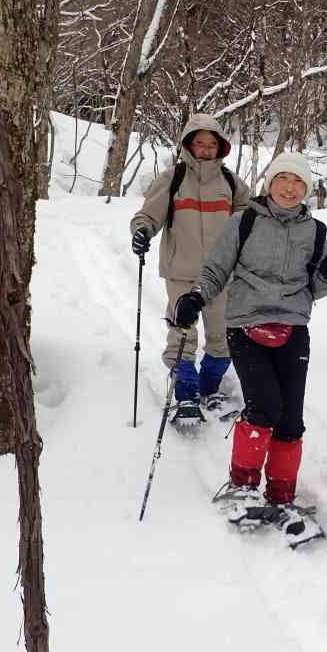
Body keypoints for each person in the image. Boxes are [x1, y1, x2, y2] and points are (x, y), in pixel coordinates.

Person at [172, 152, 327, 522]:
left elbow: (314, 288)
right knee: (265, 406)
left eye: (298, 182)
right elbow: (217, 269)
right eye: (284, 178)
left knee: (290, 419)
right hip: (246, 323)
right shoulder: (245, 221)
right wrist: (196, 297)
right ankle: (242, 485)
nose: (290, 187)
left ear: (307, 188)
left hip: (294, 327)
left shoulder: (315, 232)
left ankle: (282, 494)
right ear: (270, 182)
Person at [130, 114, 250, 424]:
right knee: (182, 333)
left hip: (222, 275)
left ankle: (208, 387)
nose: (206, 149)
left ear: (220, 146)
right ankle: (185, 393)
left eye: (212, 144)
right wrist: (142, 231)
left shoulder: (231, 183)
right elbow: (148, 215)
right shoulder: (172, 179)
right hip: (181, 272)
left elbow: (248, 223)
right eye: (200, 143)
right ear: (188, 144)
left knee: (222, 336)